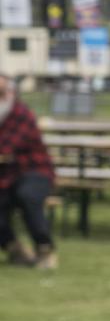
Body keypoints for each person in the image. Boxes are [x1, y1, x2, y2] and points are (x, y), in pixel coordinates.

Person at [0, 73, 57, 270]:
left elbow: (6, 148)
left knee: (28, 196)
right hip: (6, 175)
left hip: (34, 170)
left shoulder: (20, 113)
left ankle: (44, 248)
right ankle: (13, 248)